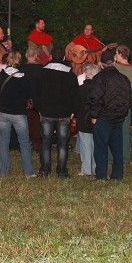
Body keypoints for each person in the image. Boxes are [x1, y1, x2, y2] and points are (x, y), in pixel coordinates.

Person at [33, 46, 80, 178]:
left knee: (46, 142)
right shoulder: (70, 75)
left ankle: (45, 170)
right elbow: (76, 96)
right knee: (63, 144)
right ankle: (62, 172)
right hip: (64, 113)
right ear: (64, 58)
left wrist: (39, 109)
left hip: (46, 112)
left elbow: (35, 94)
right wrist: (73, 112)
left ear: (50, 57)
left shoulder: (42, 73)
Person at [88, 49, 132, 180]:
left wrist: (94, 116)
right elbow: (128, 98)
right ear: (114, 62)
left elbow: (95, 98)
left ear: (101, 64)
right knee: (117, 147)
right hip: (118, 118)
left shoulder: (99, 78)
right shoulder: (123, 78)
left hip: (103, 117)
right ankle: (117, 175)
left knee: (101, 148)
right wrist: (123, 112)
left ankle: (101, 176)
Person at [0, 51, 34, 177]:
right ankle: (28, 172)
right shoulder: (24, 77)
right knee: (24, 142)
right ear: (19, 61)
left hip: (2, 112)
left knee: (4, 141)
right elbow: (28, 94)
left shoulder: (1, 75)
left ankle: (3, 170)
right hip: (18, 113)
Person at [113, 45, 132, 166]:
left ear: (121, 54)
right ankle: (125, 158)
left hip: (112, 105)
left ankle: (111, 157)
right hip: (126, 105)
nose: (115, 55)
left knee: (112, 131)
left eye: (116, 53)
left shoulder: (114, 67)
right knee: (124, 132)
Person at [75, 62, 100, 176]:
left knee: (85, 144)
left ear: (85, 74)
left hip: (83, 119)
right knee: (96, 144)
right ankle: (96, 168)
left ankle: (86, 169)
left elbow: (76, 105)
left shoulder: (80, 89)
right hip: (97, 119)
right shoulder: (100, 89)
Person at [21, 46, 44, 151]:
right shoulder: (41, 69)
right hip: (38, 99)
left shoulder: (21, 68)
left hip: (24, 98)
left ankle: (26, 142)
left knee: (24, 122)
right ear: (36, 56)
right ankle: (36, 143)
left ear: (26, 56)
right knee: (36, 123)